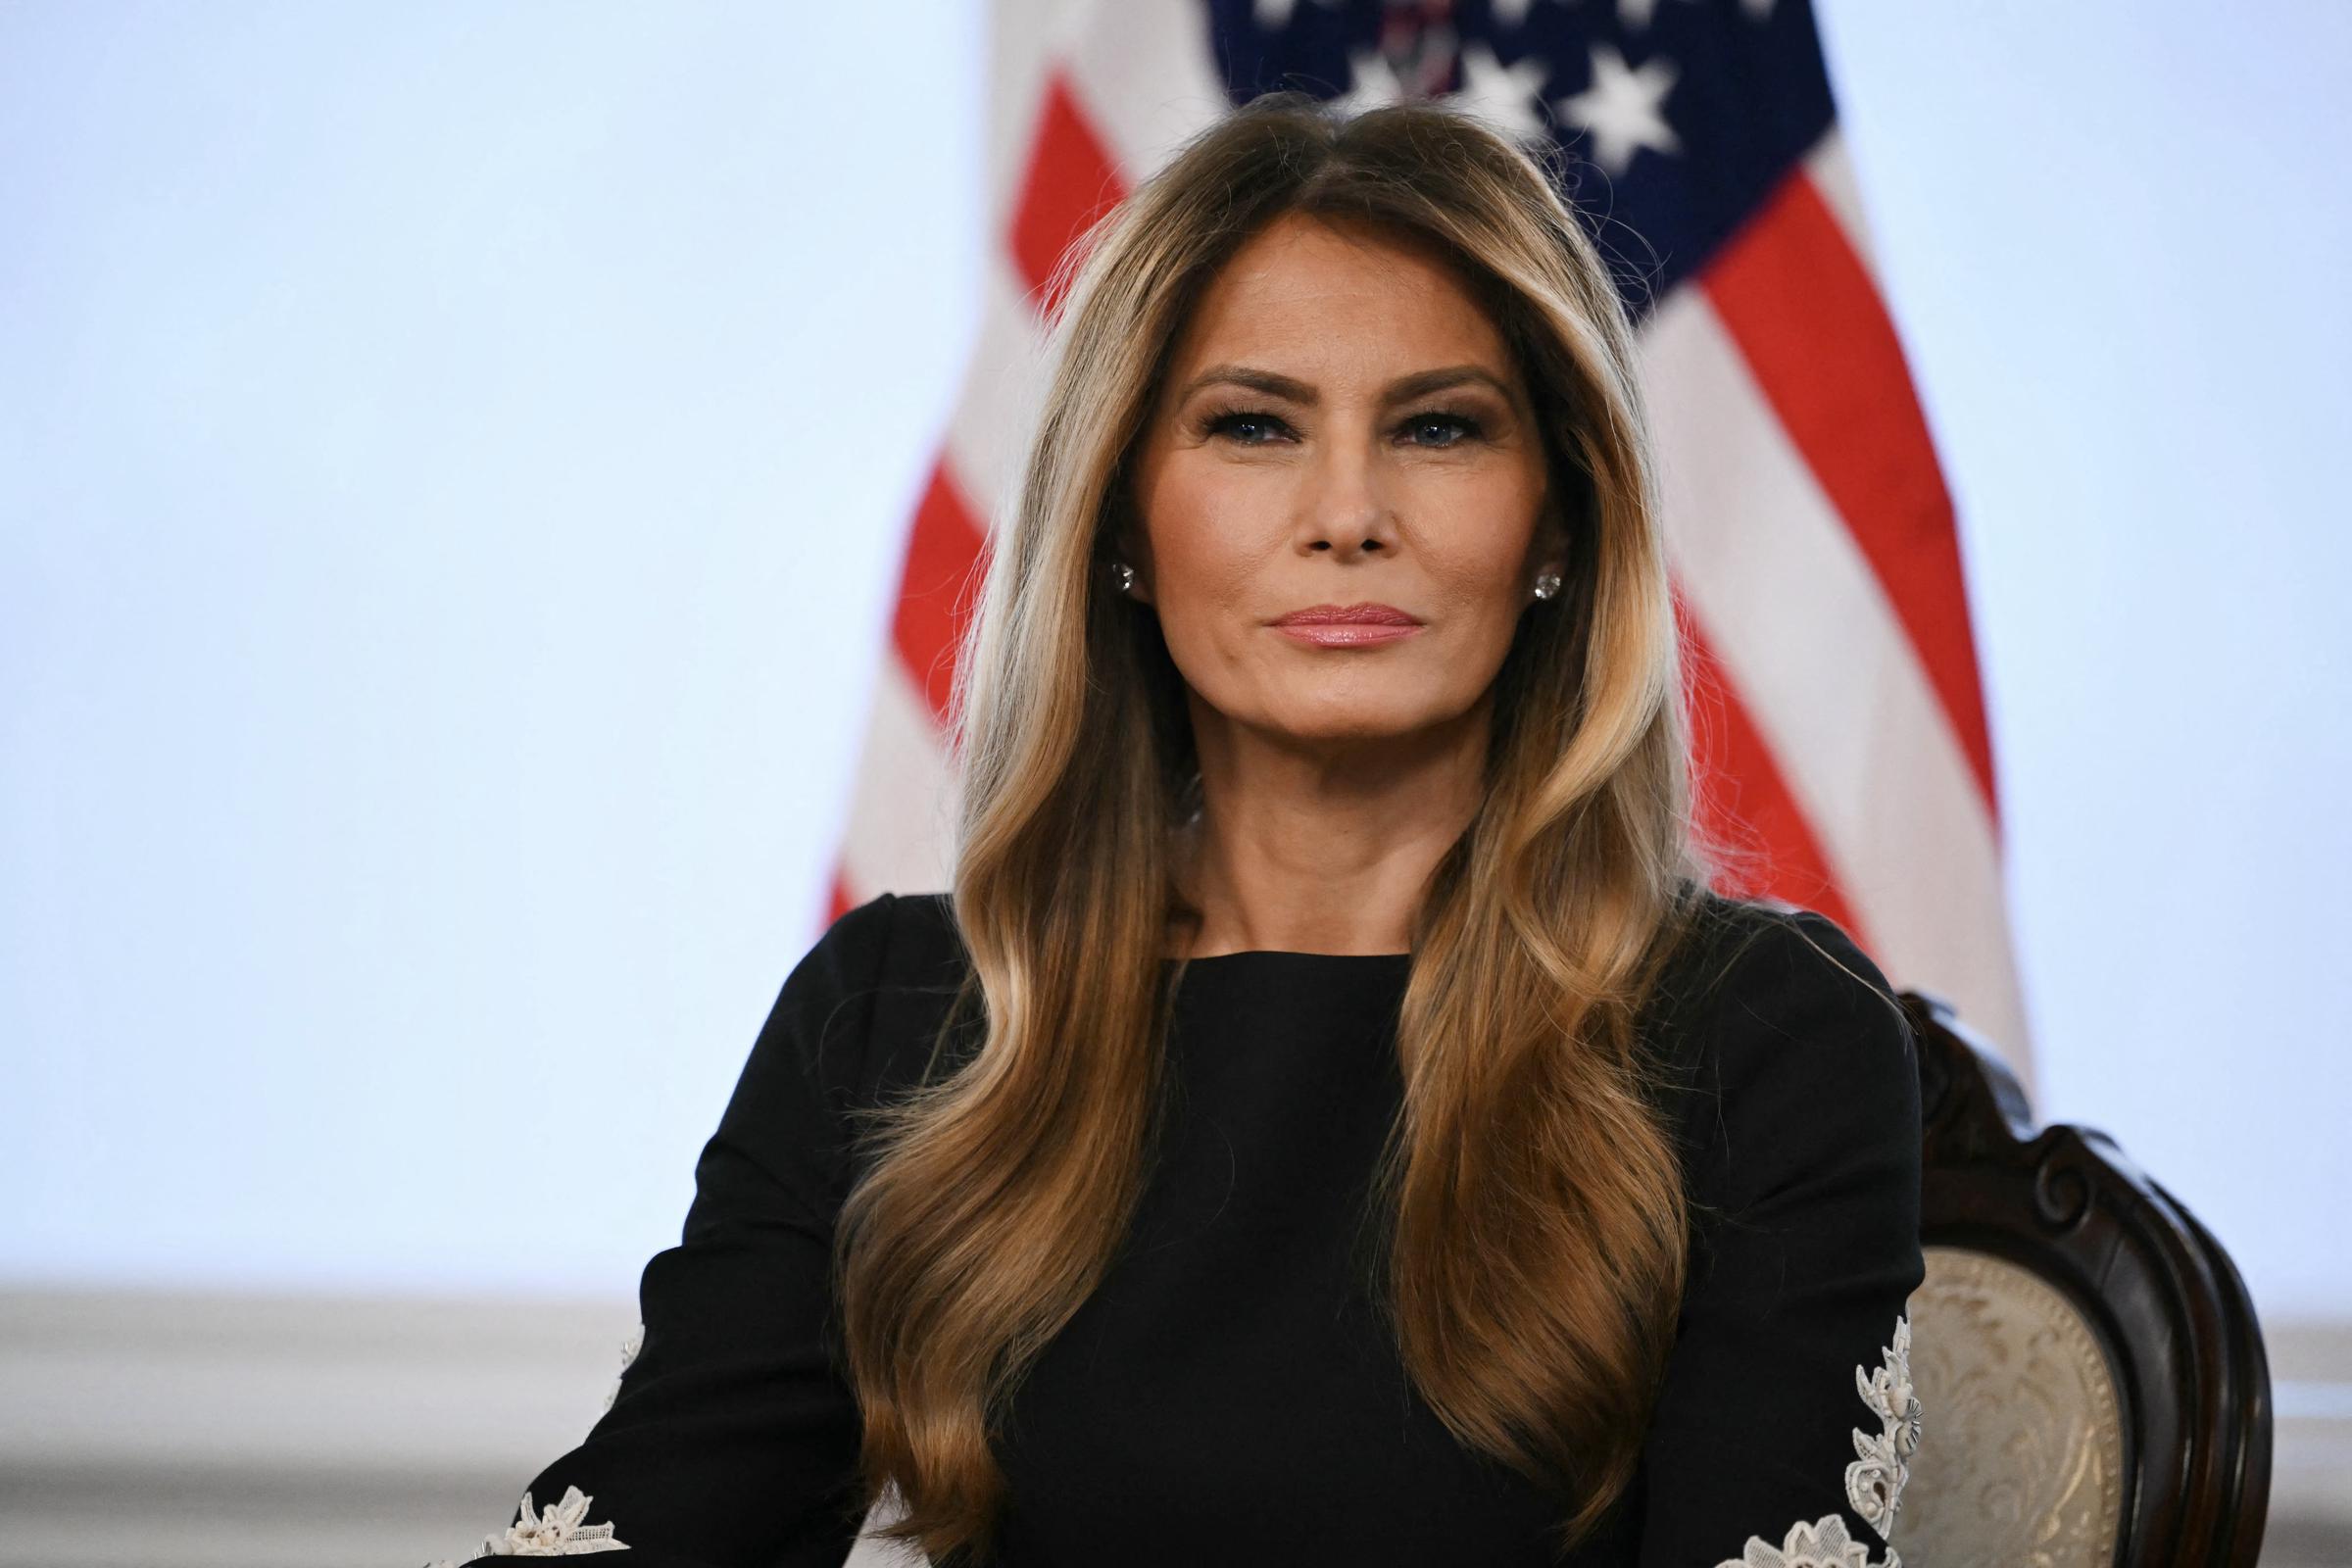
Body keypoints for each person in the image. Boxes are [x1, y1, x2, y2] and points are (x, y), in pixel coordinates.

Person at [424, 93, 1923, 1568]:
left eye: (1440, 428)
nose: (1347, 511)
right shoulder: (898, 1021)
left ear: (1561, 523)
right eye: (1254, 425)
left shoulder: (1765, 1041)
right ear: (1124, 521)